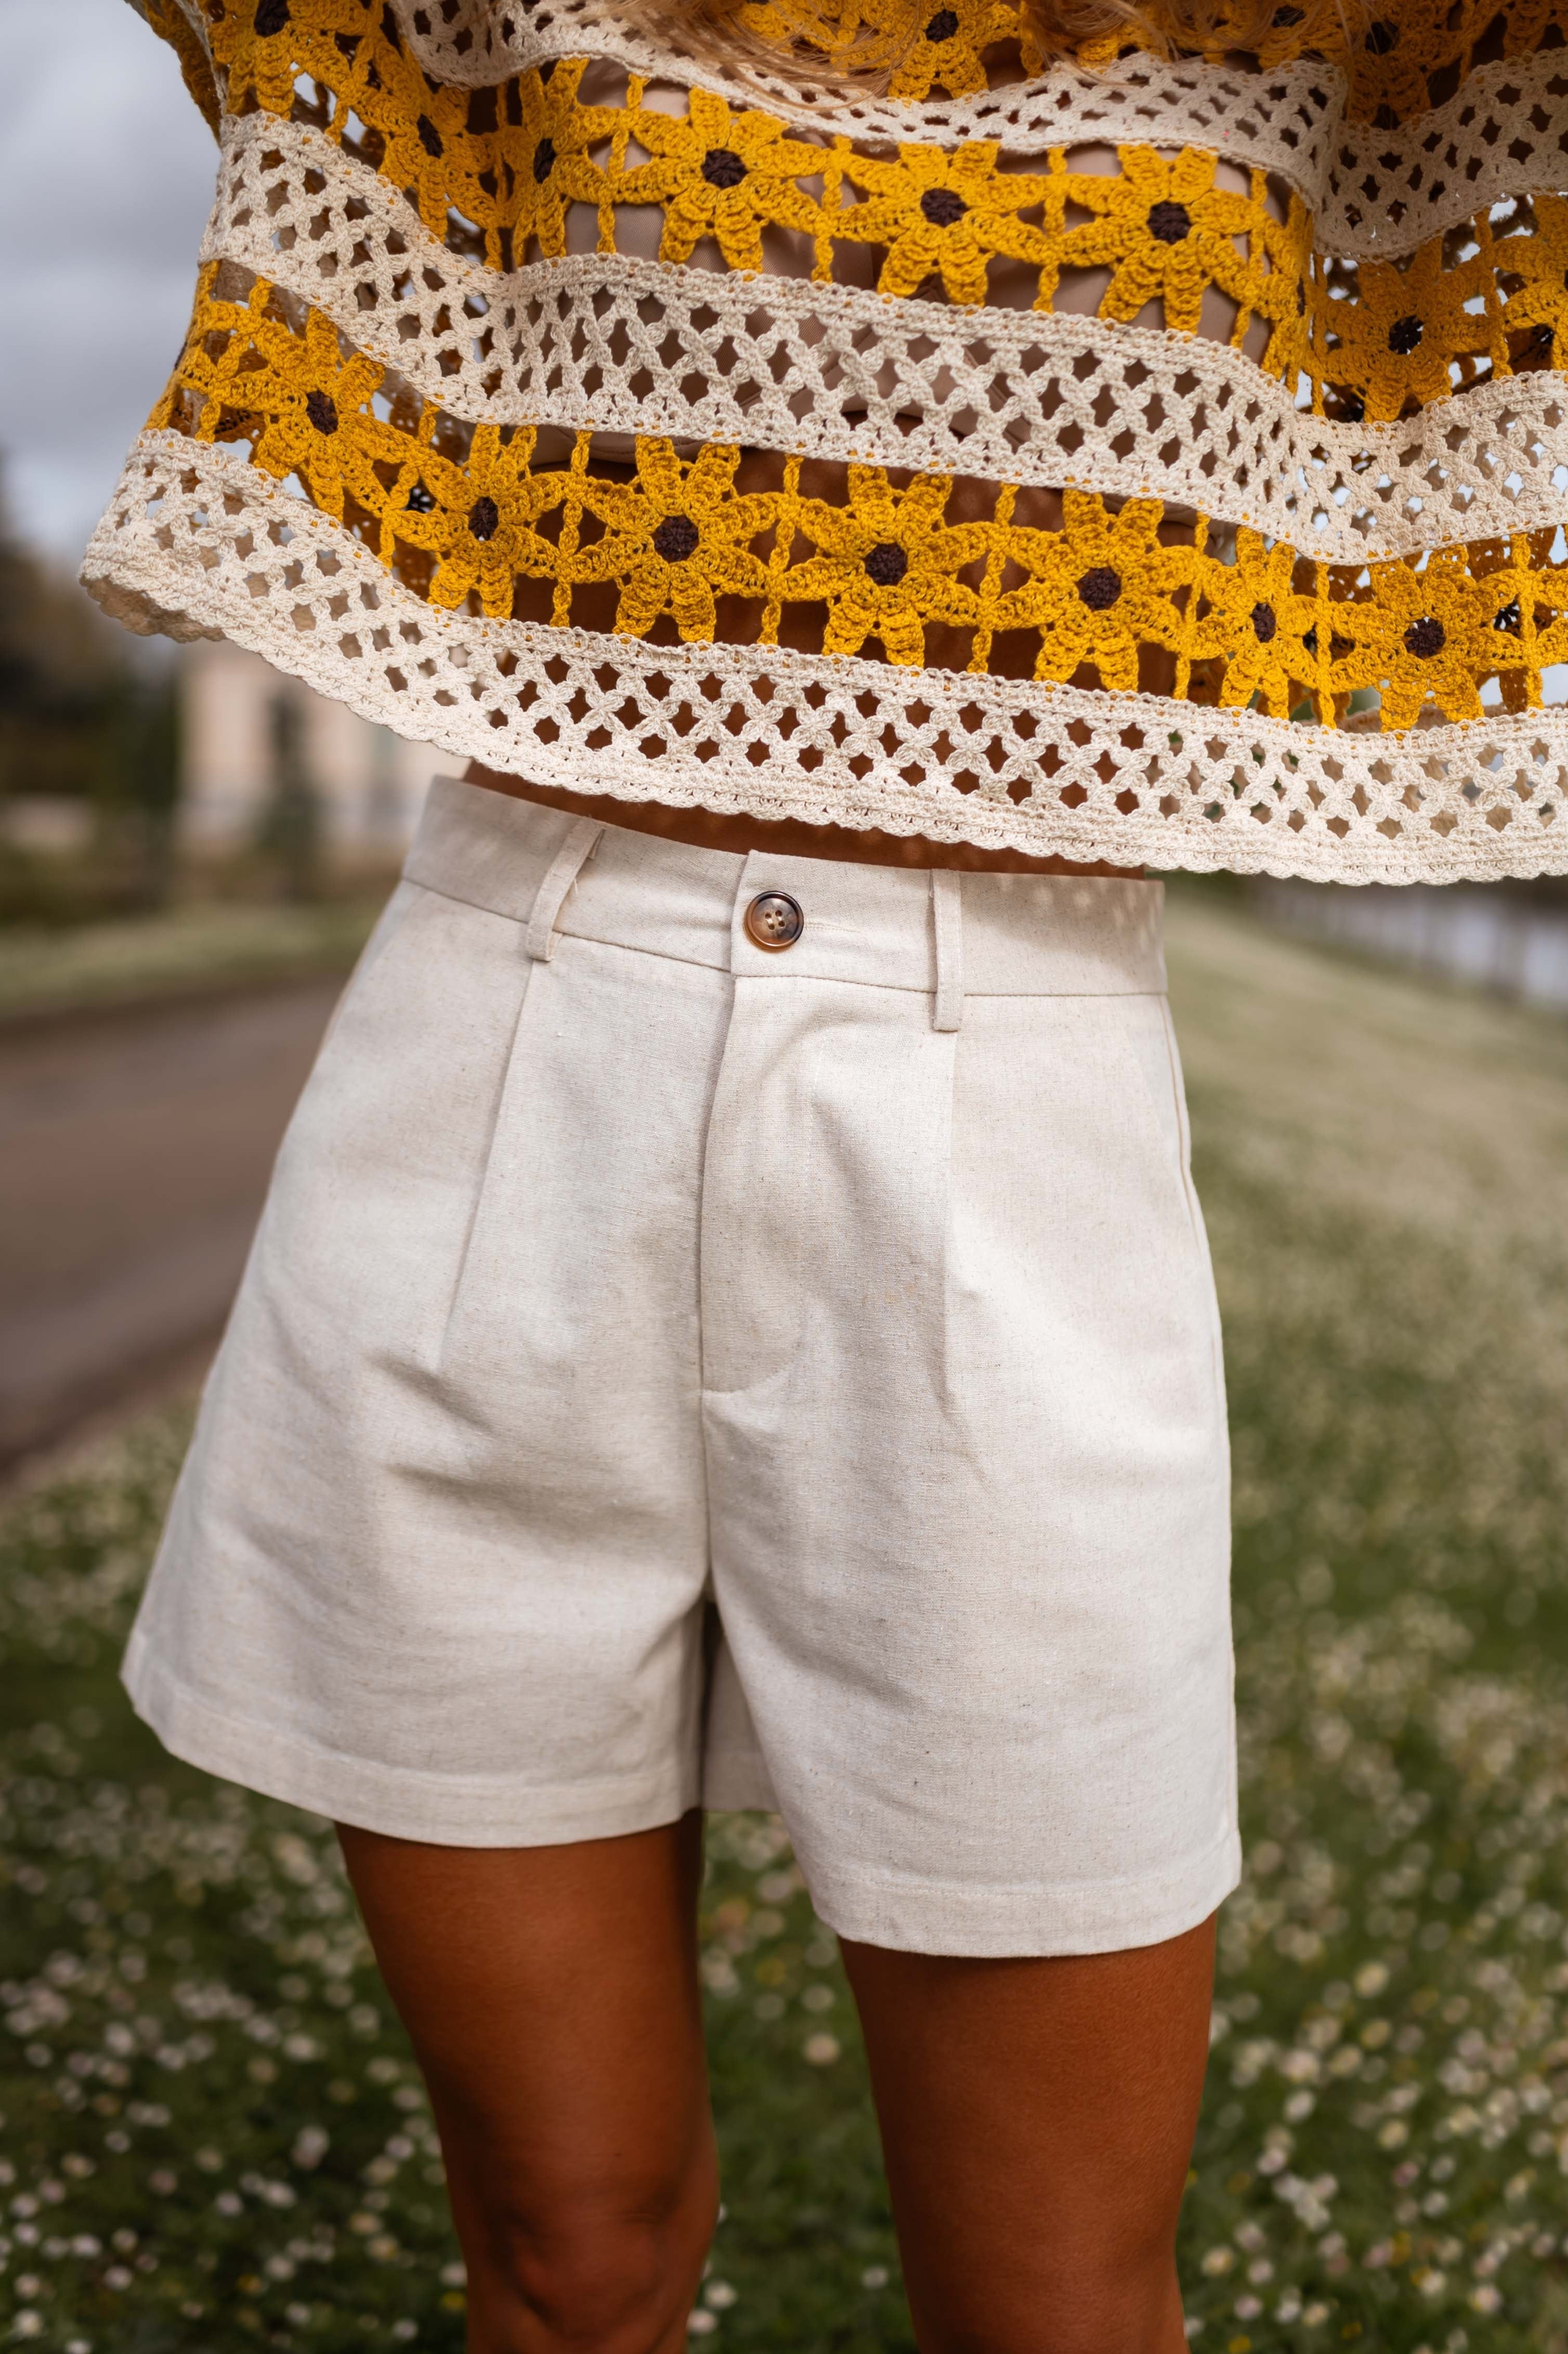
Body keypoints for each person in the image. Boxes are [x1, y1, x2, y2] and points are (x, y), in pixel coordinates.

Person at [88, 0, 1564, 2343]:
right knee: (566, 2250)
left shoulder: (1364, 34)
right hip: (501, 1055)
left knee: (1056, 2302)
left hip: (1012, 1115)